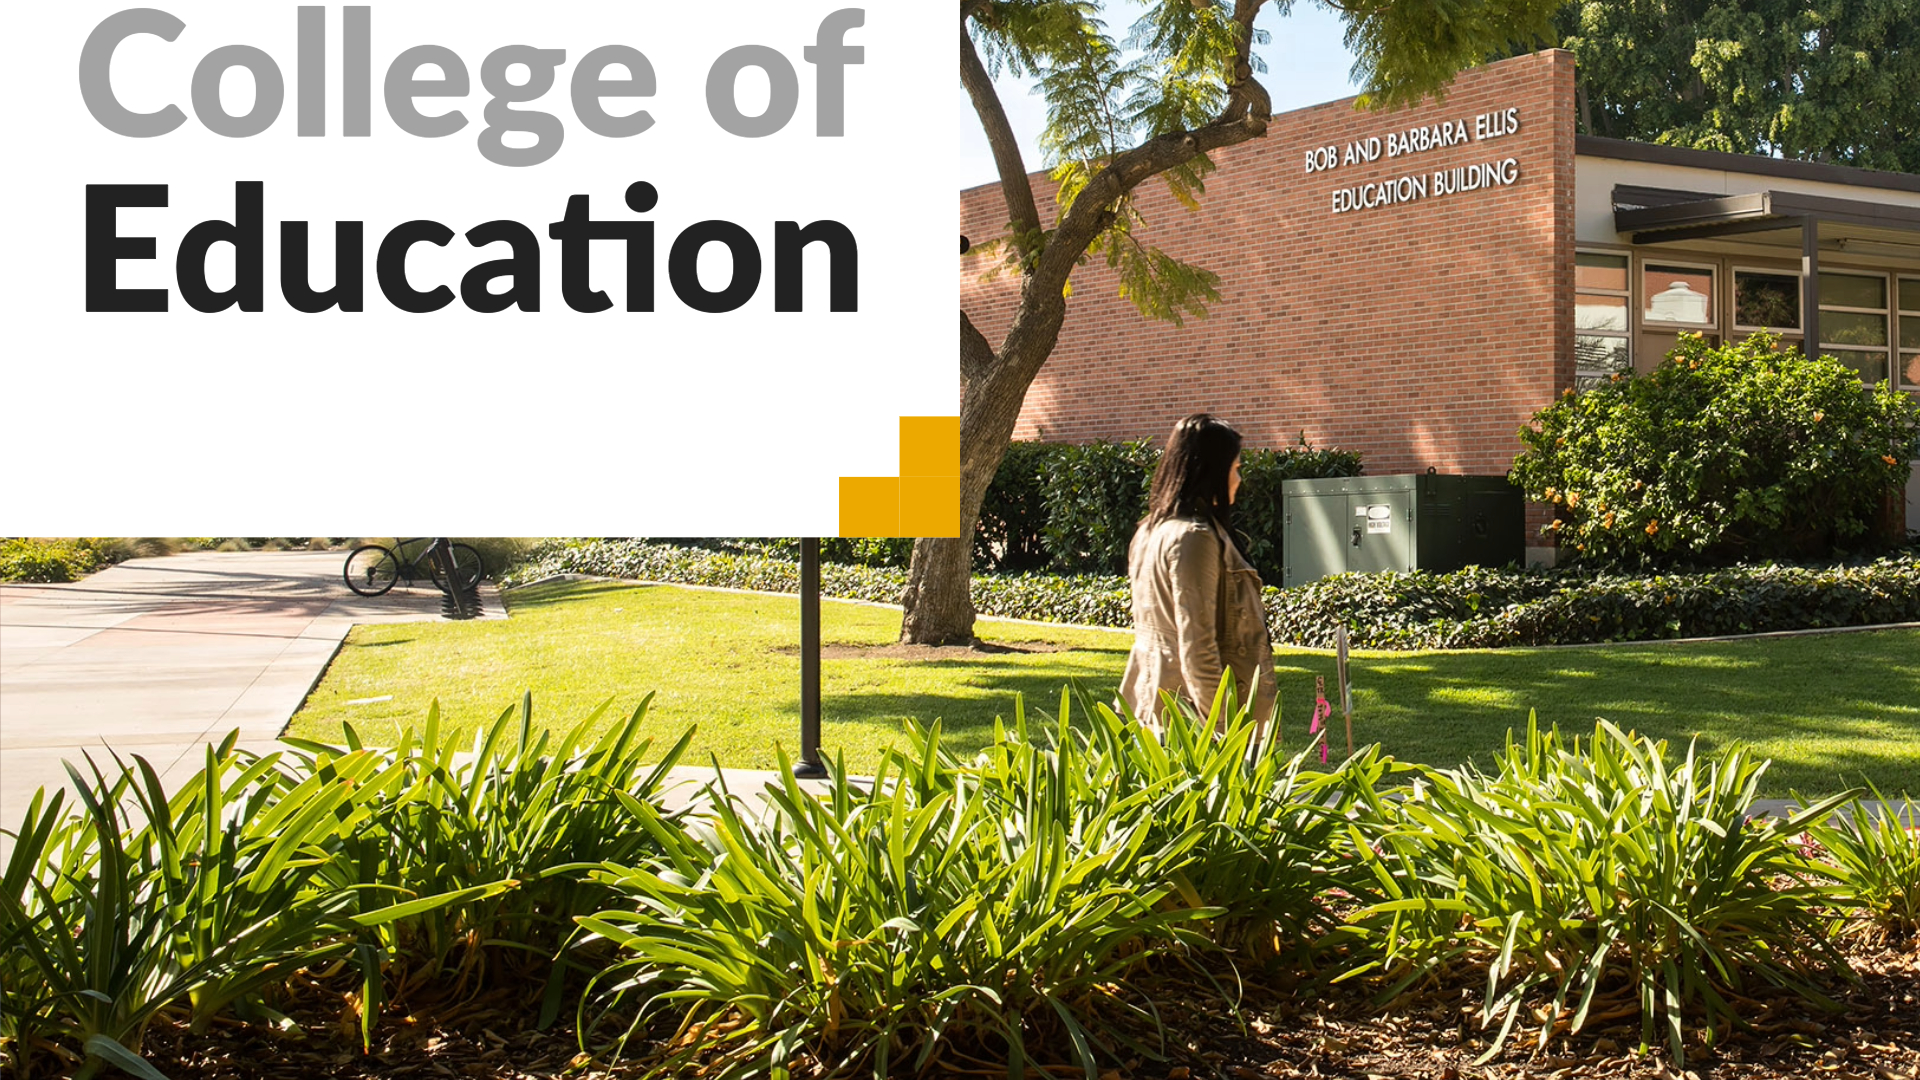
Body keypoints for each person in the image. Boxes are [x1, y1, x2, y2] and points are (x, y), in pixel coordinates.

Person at [1119, 413, 1278, 733]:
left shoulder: (1149, 531)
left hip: (1162, 709)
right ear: (1212, 472)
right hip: (1194, 723)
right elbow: (1197, 648)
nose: (1238, 479)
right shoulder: (1192, 538)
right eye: (1234, 468)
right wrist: (1222, 733)